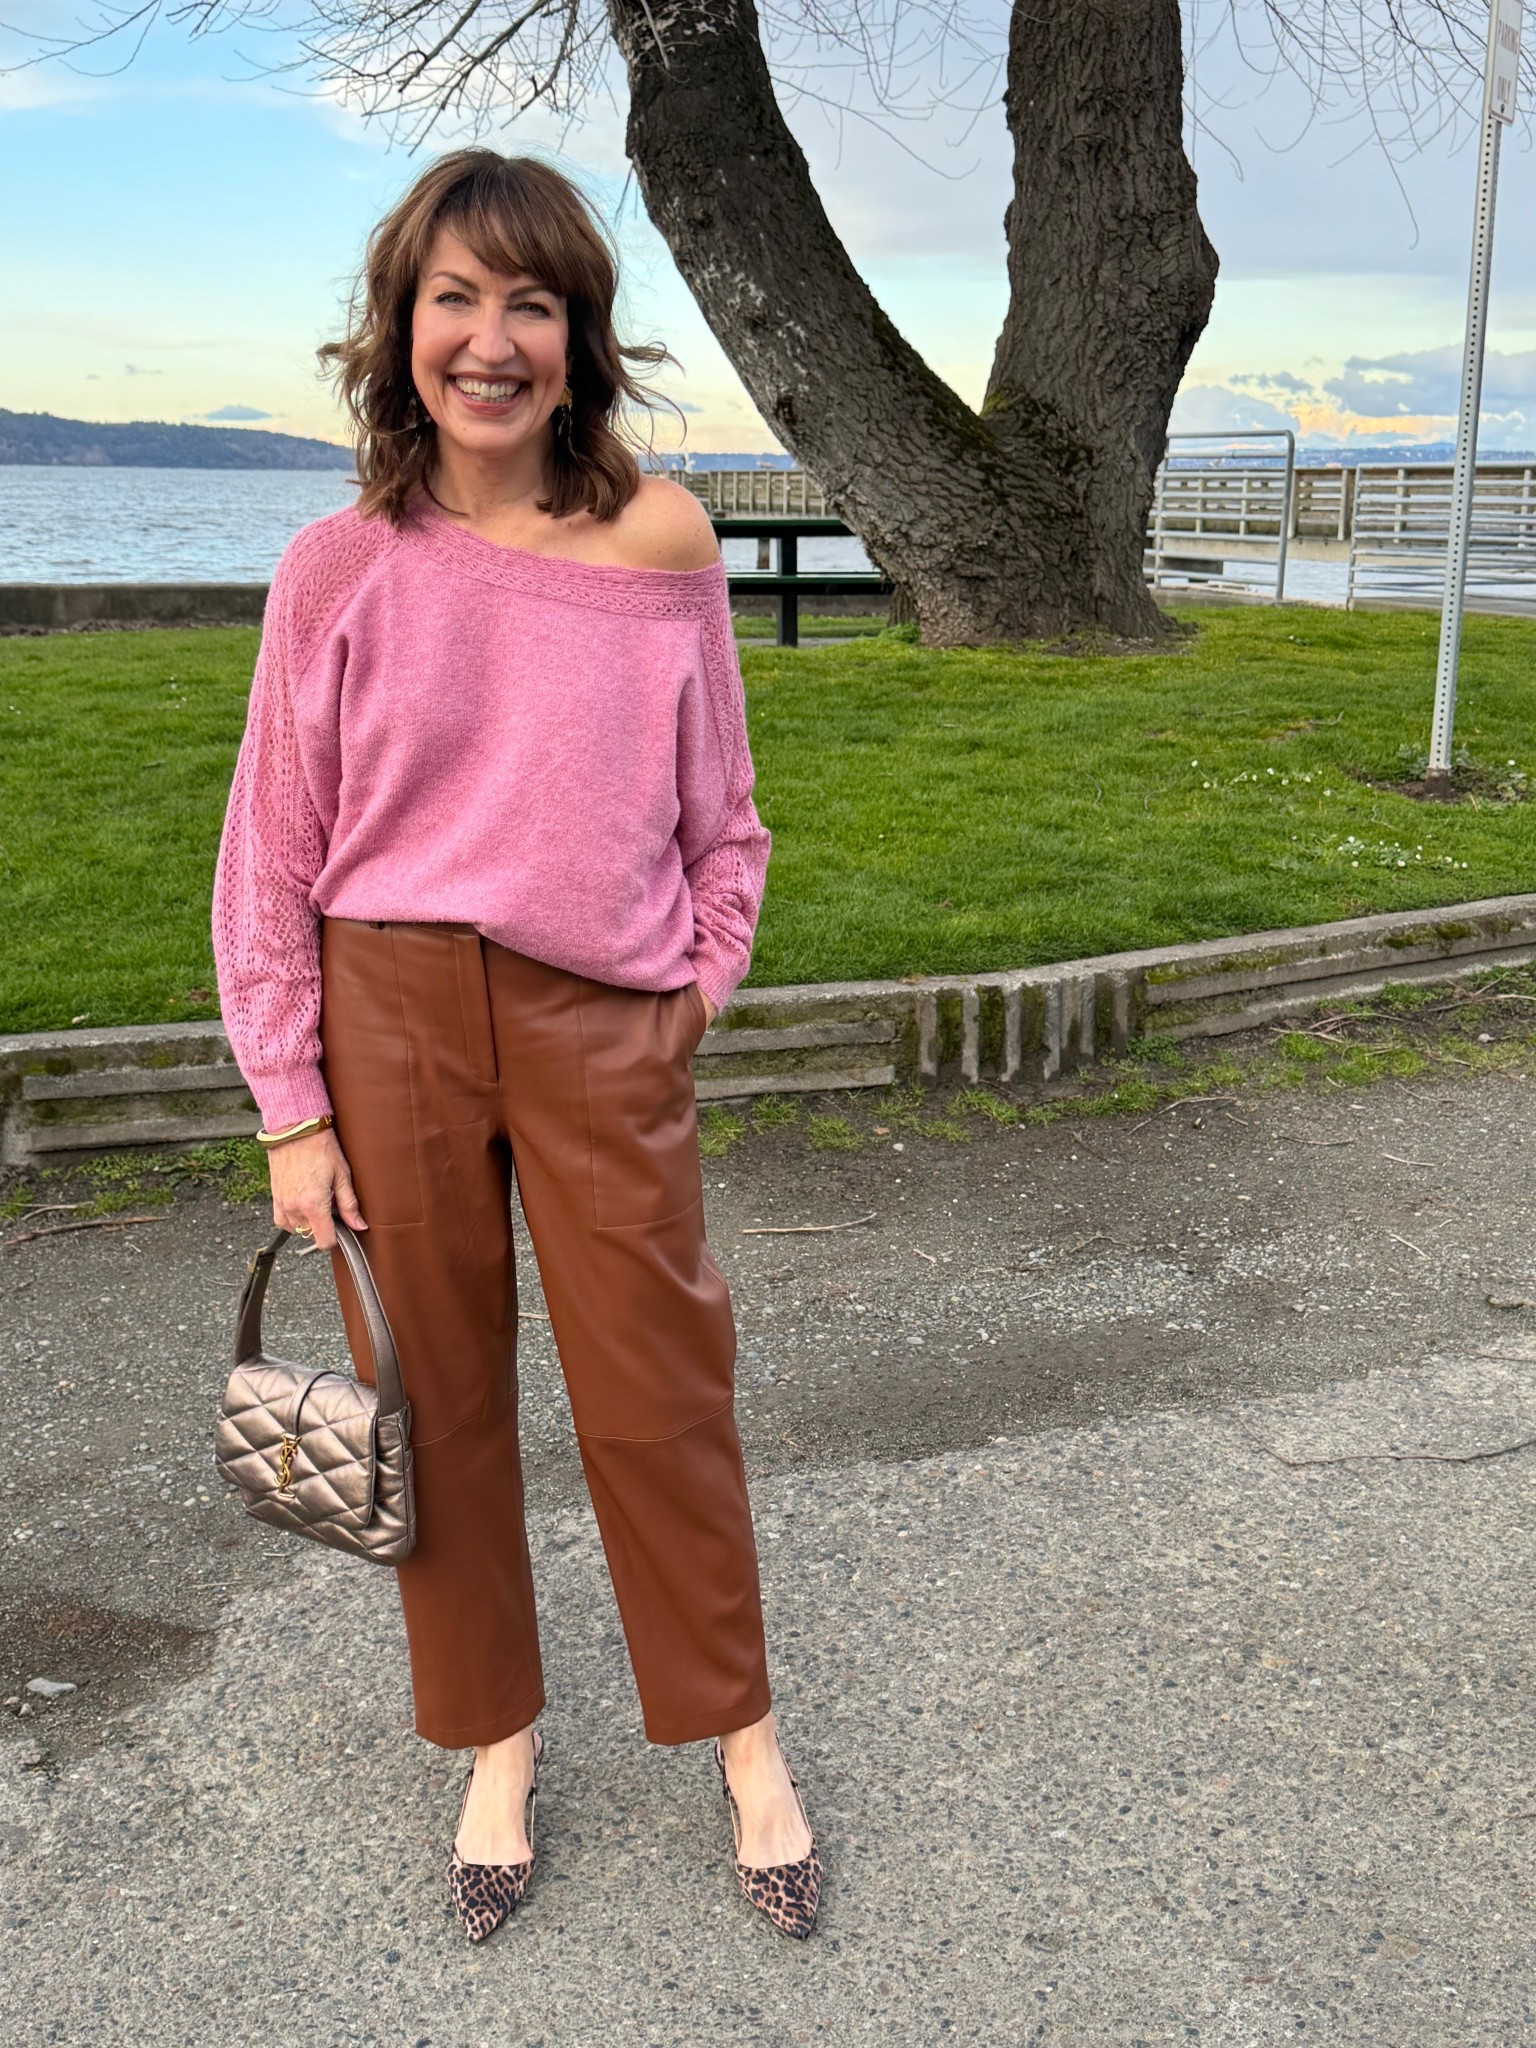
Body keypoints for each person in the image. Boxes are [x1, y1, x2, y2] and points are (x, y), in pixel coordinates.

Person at [211, 148, 820, 1944]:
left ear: (580, 338)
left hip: (599, 1021)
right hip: (388, 1014)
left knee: (660, 1396)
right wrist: (288, 1106)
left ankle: (743, 1733)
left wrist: (686, 997)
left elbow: (729, 819)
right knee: (439, 1404)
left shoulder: (663, 539)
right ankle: (496, 1737)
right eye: (453, 301)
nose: (491, 341)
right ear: (399, 334)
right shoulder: (335, 568)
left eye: (530, 303)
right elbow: (271, 854)